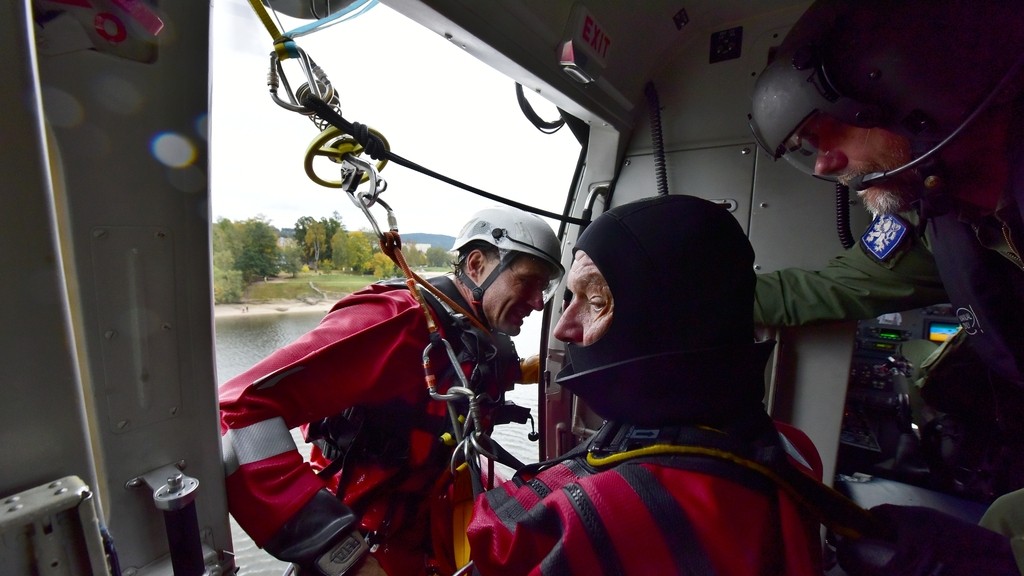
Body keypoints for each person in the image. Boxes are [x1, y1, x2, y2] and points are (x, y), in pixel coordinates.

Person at [747, 0, 1024, 573]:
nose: (822, 166)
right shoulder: (941, 222)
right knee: (1006, 518)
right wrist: (687, 295)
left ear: (911, 91)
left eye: (826, 133)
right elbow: (830, 288)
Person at [466, 195, 839, 575]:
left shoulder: (584, 520)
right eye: (569, 298)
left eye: (595, 300)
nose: (562, 327)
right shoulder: (795, 449)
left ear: (671, 319)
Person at [219, 206, 564, 576]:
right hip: (361, 543)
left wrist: (531, 370)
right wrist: (342, 555)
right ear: (477, 265)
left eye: (544, 288)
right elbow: (238, 409)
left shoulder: (472, 333)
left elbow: (463, 377)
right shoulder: (395, 321)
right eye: (528, 282)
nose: (539, 302)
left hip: (424, 534)